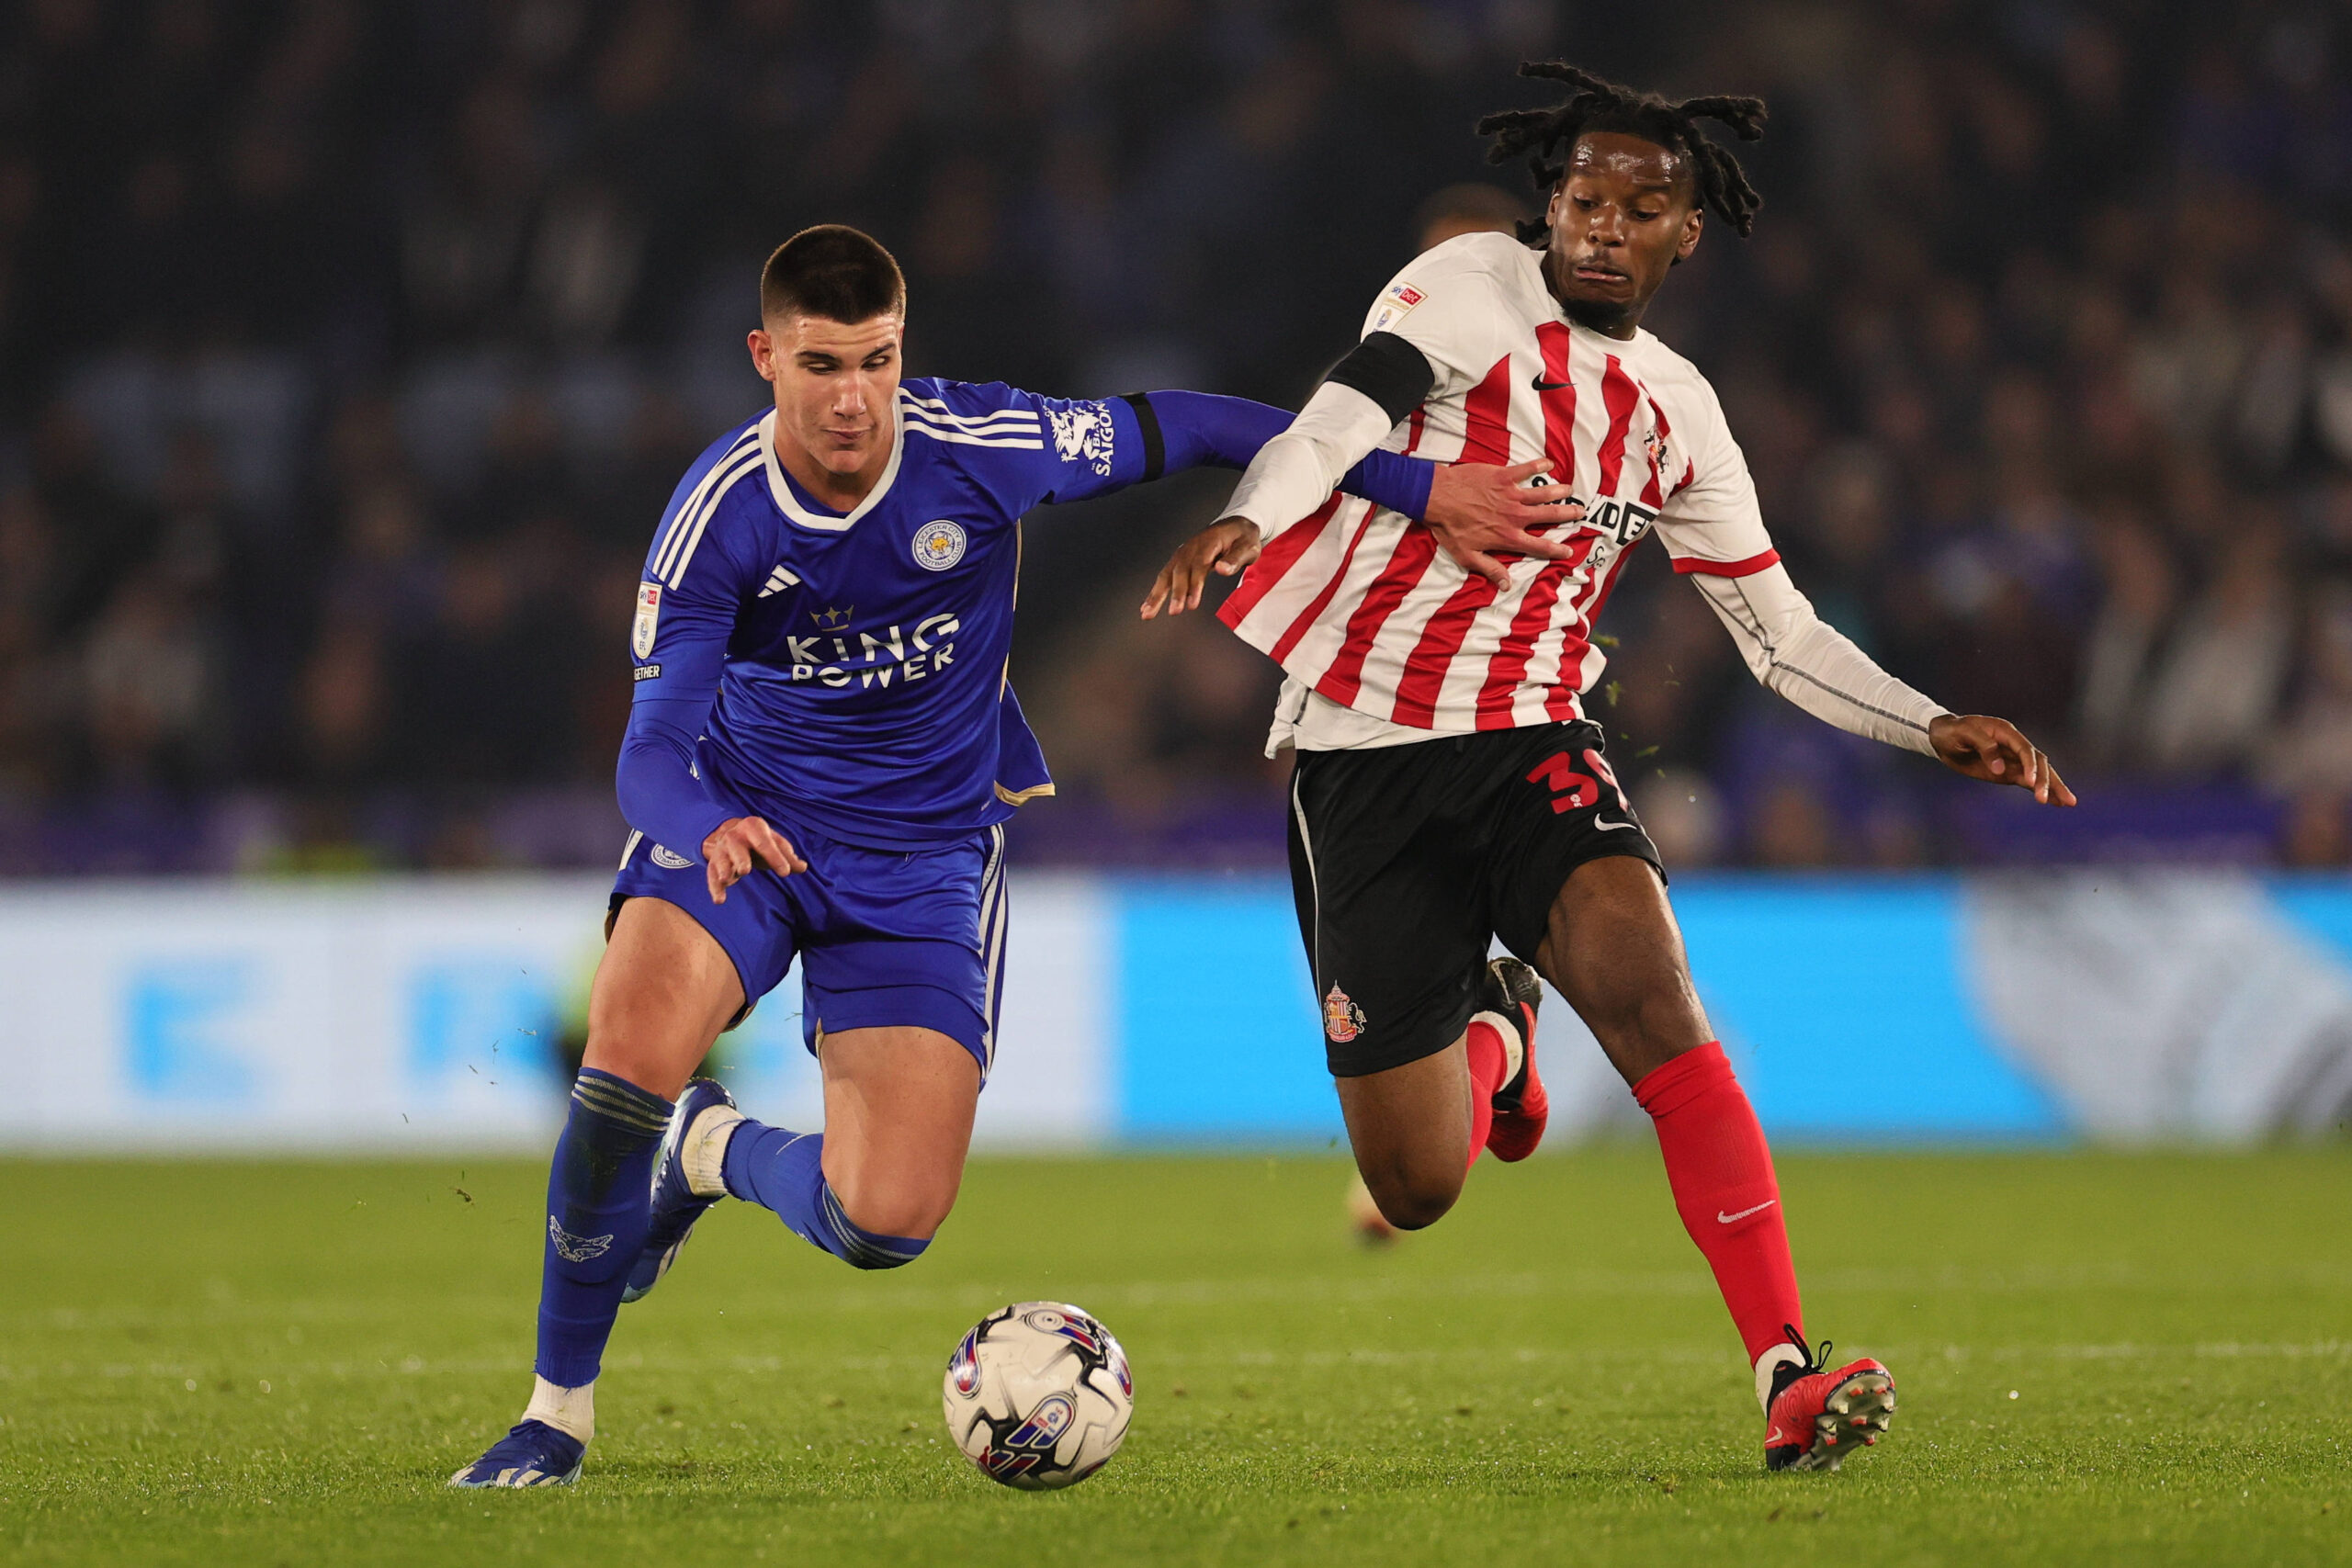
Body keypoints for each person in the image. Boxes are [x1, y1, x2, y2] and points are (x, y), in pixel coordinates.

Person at [449, 224, 1532, 1487]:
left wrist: (1415, 486)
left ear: (904, 353)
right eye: (820, 365)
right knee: (621, 1064)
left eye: (877, 360)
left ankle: (712, 1151)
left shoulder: (983, 448)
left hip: (924, 863)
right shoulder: (722, 519)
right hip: (746, 827)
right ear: (764, 359)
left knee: (885, 1222)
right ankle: (554, 1415)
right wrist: (704, 830)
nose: (853, 396)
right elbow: (650, 758)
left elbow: (1198, 424)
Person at [1140, 63, 2077, 1473]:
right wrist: (1246, 516)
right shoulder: (1464, 283)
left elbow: (1776, 632)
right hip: (1366, 760)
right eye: (1583, 199)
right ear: (1551, 205)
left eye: (1642, 208)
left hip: (1535, 738)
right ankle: (1496, 1036)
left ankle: (1785, 1371)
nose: (1603, 226)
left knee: (1657, 1006)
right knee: (1420, 1181)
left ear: (1686, 235)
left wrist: (1927, 721)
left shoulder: (1679, 412)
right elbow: (1346, 409)